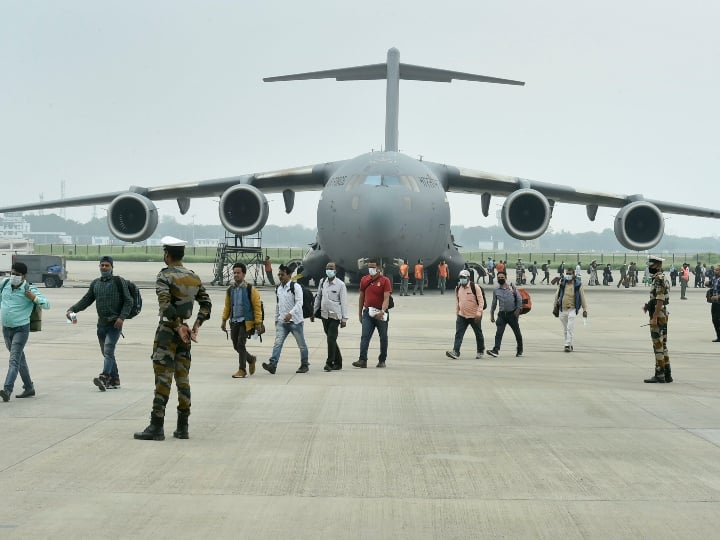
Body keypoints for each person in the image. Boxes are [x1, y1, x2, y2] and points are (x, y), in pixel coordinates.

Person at [134, 236, 212, 441]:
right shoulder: (193, 277)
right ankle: (182, 427)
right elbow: (206, 304)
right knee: (183, 380)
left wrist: (177, 326)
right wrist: (195, 326)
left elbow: (165, 306)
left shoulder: (165, 276)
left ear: (167, 255)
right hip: (185, 335)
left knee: (163, 379)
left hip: (168, 332)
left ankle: (156, 426)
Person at [67, 255, 133, 391]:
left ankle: (104, 377)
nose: (104, 268)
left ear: (112, 267)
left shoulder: (119, 282)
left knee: (108, 350)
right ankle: (115, 380)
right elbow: (86, 300)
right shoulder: (95, 284)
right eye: (102, 265)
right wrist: (73, 309)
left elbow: (129, 301)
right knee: (107, 353)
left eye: (107, 265)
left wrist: (122, 318)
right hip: (101, 325)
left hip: (115, 324)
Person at [0, 262, 50, 402]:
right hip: (6, 328)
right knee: (20, 359)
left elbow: (47, 304)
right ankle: (29, 387)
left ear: (24, 276)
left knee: (14, 360)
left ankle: (7, 389)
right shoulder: (4, 285)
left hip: (21, 329)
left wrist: (34, 298)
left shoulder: (29, 289)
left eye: (17, 274)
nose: (13, 276)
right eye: (12, 273)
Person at [262, 264, 310, 375]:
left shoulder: (295, 287)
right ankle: (272, 364)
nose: (280, 276)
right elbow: (278, 304)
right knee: (278, 343)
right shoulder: (278, 288)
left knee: (301, 345)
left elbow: (299, 303)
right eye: (279, 274)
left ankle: (304, 364)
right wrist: (276, 318)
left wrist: (291, 314)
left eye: (282, 274)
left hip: (295, 321)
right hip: (282, 321)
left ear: (288, 275)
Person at [221, 262, 264, 379]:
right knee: (236, 346)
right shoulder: (230, 289)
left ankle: (242, 369)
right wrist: (224, 320)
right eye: (234, 273)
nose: (236, 275)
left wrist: (258, 323)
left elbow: (257, 307)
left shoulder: (251, 289)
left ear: (244, 274)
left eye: (238, 273)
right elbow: (227, 306)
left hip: (246, 322)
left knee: (240, 344)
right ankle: (251, 359)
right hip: (234, 321)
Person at [353, 260, 392, 368]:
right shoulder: (364, 280)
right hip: (368, 313)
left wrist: (382, 311)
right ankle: (362, 360)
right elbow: (361, 297)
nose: (371, 269)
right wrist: (360, 313)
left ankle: (382, 360)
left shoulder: (385, 281)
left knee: (383, 337)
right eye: (369, 267)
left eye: (373, 267)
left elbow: (386, 298)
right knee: (365, 336)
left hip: (381, 313)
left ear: (378, 269)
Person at [313, 261, 349, 371]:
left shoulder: (340, 285)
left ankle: (329, 363)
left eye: (331, 268)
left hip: (335, 317)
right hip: (324, 315)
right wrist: (313, 312)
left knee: (331, 338)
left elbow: (344, 302)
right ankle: (338, 362)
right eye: (327, 268)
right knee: (331, 339)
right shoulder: (322, 282)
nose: (329, 270)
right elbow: (318, 297)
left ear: (335, 271)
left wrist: (344, 319)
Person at [643, 256, 672, 384]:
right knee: (663, 344)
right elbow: (657, 298)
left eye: (653, 265)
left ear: (658, 266)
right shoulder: (662, 277)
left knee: (658, 345)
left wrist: (654, 317)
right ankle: (667, 374)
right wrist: (648, 305)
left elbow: (660, 299)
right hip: (662, 313)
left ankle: (659, 374)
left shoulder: (658, 279)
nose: (650, 267)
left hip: (658, 314)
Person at [445, 270, 485, 359]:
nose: (462, 279)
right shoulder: (458, 288)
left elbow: (481, 301)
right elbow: (458, 301)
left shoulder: (475, 287)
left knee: (478, 334)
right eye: (460, 277)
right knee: (459, 334)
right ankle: (456, 351)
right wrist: (457, 312)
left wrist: (479, 312)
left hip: (474, 315)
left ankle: (480, 351)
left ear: (468, 278)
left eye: (464, 277)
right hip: (462, 315)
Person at [486, 271, 523, 357]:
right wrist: (492, 315)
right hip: (502, 315)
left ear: (505, 277)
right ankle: (496, 350)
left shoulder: (511, 287)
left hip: (512, 314)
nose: (500, 279)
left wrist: (518, 310)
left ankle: (520, 349)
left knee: (517, 332)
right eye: (499, 278)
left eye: (502, 277)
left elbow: (519, 299)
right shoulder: (496, 290)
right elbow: (494, 303)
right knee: (499, 333)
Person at [552, 267, 588, 352]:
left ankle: (567, 345)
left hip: (572, 309)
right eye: (567, 274)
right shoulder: (562, 283)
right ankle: (570, 344)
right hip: (562, 309)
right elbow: (556, 295)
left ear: (573, 275)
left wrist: (585, 309)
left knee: (569, 327)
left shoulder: (578, 284)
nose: (568, 275)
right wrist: (555, 306)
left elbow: (582, 297)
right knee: (565, 329)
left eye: (570, 274)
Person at [709, 265, 720, 343]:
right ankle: (719, 336)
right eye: (715, 270)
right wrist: (707, 283)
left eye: (717, 270)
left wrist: (718, 297)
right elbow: (712, 285)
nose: (715, 271)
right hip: (715, 303)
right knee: (714, 320)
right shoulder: (714, 278)